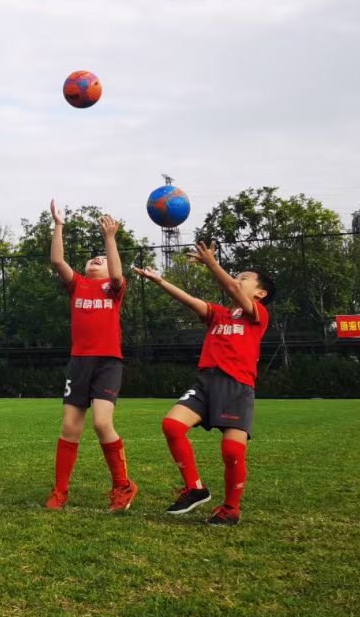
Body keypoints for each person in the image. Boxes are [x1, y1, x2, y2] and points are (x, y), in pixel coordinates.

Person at [134, 243, 275, 526]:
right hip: (206, 382)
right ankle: (195, 488)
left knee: (232, 451)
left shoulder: (257, 314)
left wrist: (211, 263)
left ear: (260, 293)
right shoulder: (220, 314)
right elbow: (190, 300)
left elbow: (234, 291)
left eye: (244, 277)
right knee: (172, 425)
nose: (237, 280)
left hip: (237, 385)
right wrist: (161, 281)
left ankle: (230, 509)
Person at [45, 202, 137, 512]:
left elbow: (118, 271)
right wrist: (59, 224)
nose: (96, 260)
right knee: (70, 427)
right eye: (92, 258)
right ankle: (60, 491)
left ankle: (123, 485)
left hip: (107, 362)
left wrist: (110, 238)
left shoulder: (114, 289)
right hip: (79, 363)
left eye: (102, 259)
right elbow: (57, 259)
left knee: (100, 423)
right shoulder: (78, 286)